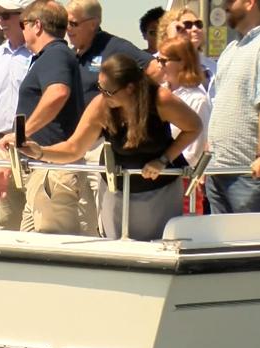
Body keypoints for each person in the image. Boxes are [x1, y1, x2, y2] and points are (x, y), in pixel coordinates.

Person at [13, 54, 201, 241]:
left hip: (160, 190)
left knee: (157, 246)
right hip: (115, 189)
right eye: (99, 88)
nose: (102, 95)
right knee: (116, 244)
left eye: (108, 92)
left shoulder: (160, 99)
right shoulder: (102, 105)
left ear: (130, 88)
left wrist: (163, 159)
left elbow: (194, 127)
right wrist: (40, 152)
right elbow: (74, 148)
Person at [0, 0, 93, 236]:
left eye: (22, 23)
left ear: (37, 25)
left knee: (54, 252)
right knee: (27, 248)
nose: (22, 30)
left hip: (54, 173)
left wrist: (21, 132)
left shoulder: (55, 54)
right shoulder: (52, 55)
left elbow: (58, 92)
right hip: (45, 171)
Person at [205, 0, 260, 213]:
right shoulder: (230, 50)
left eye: (229, 1)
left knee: (251, 243)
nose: (223, 5)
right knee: (222, 244)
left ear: (249, 3)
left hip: (248, 173)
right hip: (217, 171)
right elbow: (220, 105)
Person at [0, 0, 33, 230]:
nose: (0, 21)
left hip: (33, 145)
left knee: (38, 219)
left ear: (25, 16)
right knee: (5, 222)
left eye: (7, 15)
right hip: (0, 146)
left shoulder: (39, 56)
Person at [65, 0, 158, 105]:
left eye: (73, 23)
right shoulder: (70, 54)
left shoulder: (115, 47)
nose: (67, 28)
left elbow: (155, 69)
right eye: (65, 23)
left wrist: (129, 103)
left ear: (93, 24)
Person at [157, 37, 211, 168]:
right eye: (158, 60)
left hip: (177, 174)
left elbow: (193, 153)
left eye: (164, 61)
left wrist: (163, 164)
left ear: (183, 62)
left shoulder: (198, 100)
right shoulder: (159, 92)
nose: (159, 65)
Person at [157, 8, 216, 99]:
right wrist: (173, 41)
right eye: (187, 25)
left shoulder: (213, 66)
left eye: (198, 24)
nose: (195, 29)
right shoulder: (159, 63)